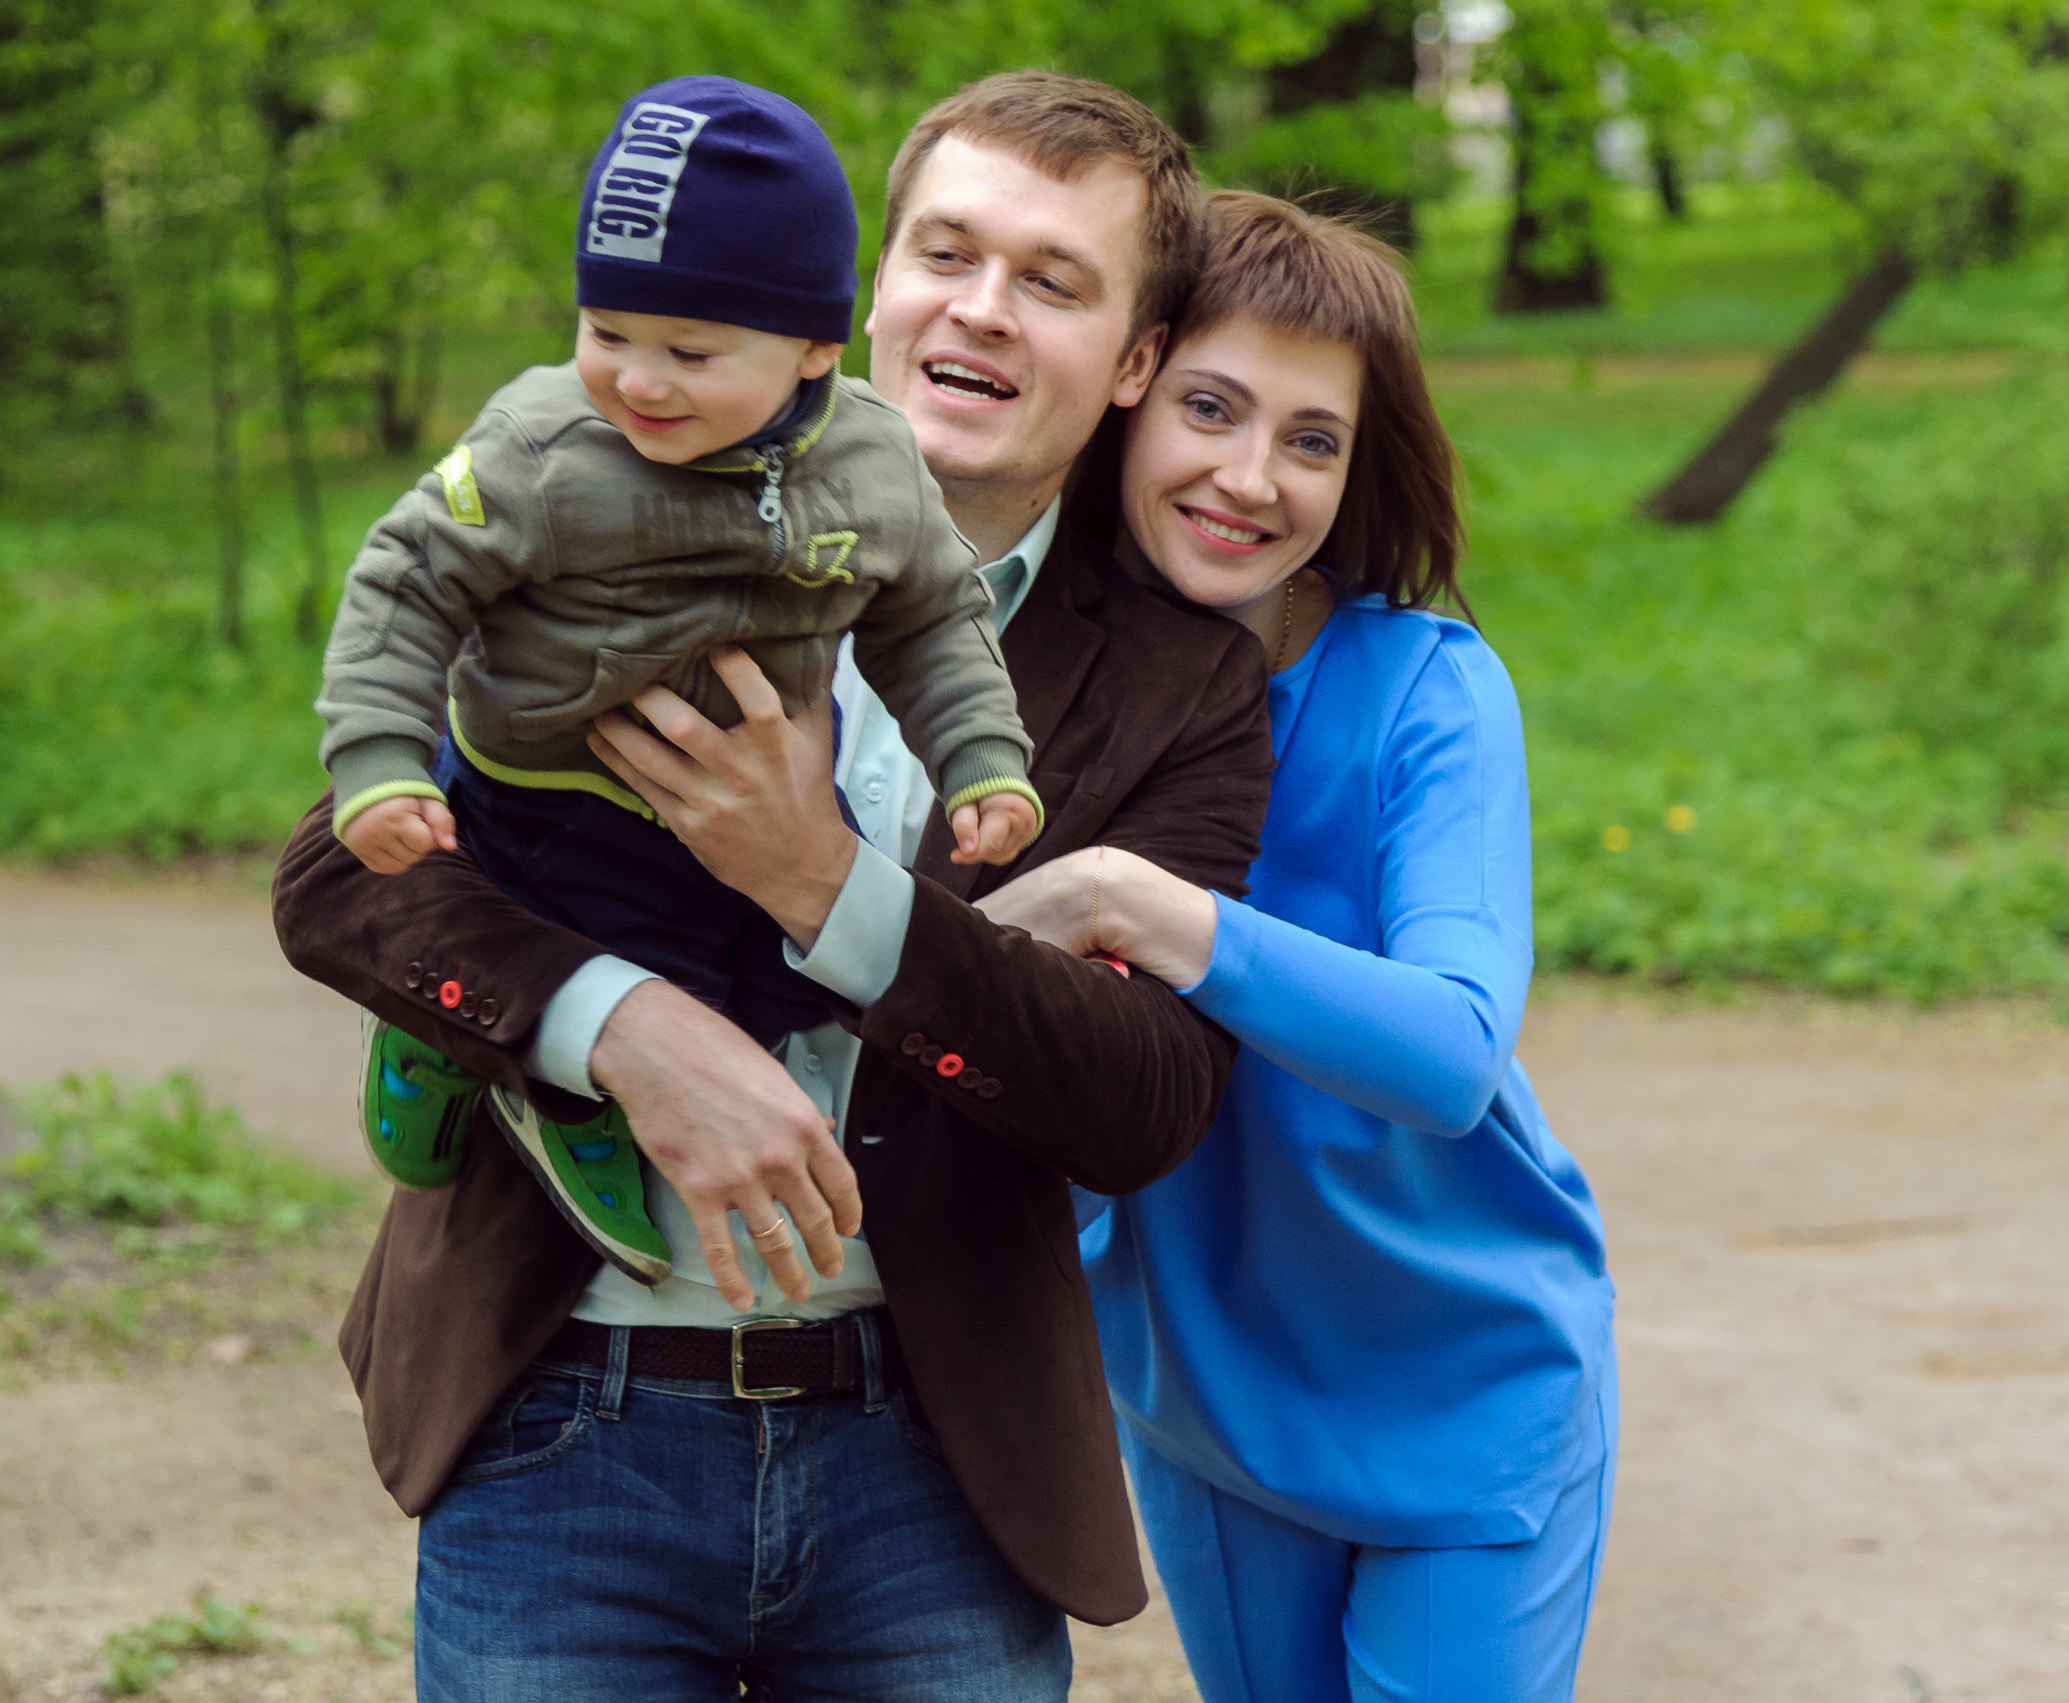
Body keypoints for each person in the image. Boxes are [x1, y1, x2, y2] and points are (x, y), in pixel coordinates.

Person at [271, 72, 1272, 1701]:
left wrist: (830, 890)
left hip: (935, 1459)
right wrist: (622, 1027)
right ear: (862, 294)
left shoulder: (1176, 683)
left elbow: (1144, 1098)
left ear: (1137, 361)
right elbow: (337, 875)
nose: (981, 309)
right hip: (556, 1420)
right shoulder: (591, 481)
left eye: (1055, 281)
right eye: (946, 251)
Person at [979, 192, 1618, 1703]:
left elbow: (1456, 1047)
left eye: (1313, 438)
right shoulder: (1021, 688)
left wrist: (1139, 906)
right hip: (1206, 1399)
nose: (1251, 478)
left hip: (1470, 1390)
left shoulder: (1425, 689)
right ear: (1126, 392)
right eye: (1211, 407)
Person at [321, 77, 1040, 1285]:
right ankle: (521, 1071)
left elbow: (932, 616)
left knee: (793, 991)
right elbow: (407, 582)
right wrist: (379, 757)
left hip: (762, 804)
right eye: (606, 334)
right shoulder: (544, 450)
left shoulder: (872, 462)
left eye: (689, 352)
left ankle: (525, 1037)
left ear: (816, 347)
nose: (638, 382)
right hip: (557, 794)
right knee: (676, 988)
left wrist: (982, 756)